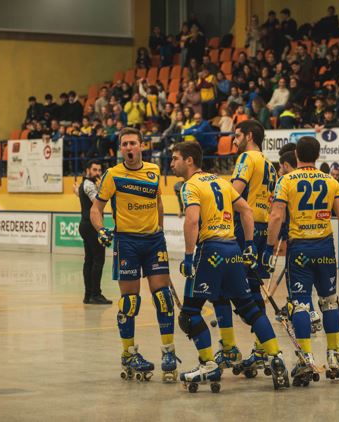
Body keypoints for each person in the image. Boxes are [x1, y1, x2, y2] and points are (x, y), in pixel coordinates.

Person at [170, 141, 290, 390]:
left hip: (210, 251)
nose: (171, 164)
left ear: (189, 160)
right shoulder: (221, 182)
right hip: (233, 250)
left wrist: (189, 257)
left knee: (189, 314)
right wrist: (249, 244)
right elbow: (246, 210)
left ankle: (208, 365)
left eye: (175, 158)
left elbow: (192, 221)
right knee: (250, 309)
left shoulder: (190, 186)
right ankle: (276, 358)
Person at [263, 136, 339, 384]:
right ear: (317, 155)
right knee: (329, 301)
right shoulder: (331, 181)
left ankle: (305, 358)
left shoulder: (286, 181)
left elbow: (276, 216)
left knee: (301, 304)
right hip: (325, 247)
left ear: (296, 156)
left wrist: (269, 249)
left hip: (300, 249)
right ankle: (334, 356)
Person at [90, 128, 179, 383]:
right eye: (124, 144)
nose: (128, 148)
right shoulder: (112, 175)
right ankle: (128, 354)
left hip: (153, 241)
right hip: (127, 242)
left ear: (142, 145)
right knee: (130, 302)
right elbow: (96, 209)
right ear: (121, 149)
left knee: (163, 298)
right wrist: (101, 229)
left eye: (132, 143)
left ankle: (168, 352)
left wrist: (160, 230)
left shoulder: (154, 170)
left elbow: (158, 203)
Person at [73, 160, 111, 305]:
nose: (97, 173)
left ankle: (88, 295)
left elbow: (84, 195)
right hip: (92, 226)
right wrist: (104, 189)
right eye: (94, 170)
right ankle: (96, 294)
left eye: (99, 170)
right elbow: (98, 202)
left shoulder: (86, 184)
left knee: (89, 260)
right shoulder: (90, 185)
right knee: (98, 260)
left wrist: (77, 192)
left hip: (85, 224)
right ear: (88, 170)